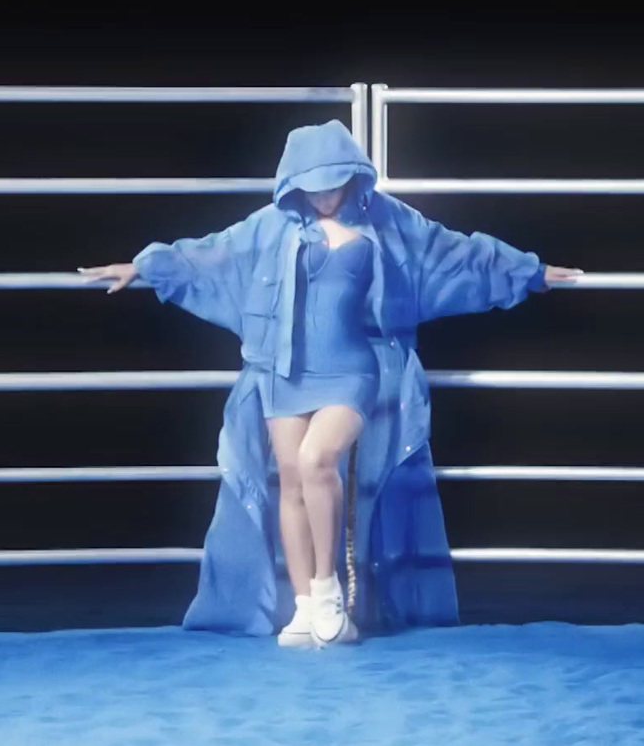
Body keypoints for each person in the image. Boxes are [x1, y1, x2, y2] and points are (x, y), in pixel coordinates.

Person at [79, 120, 581, 648]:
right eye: (312, 183)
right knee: (291, 481)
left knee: (320, 461)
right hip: (281, 371)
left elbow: (454, 254)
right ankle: (304, 607)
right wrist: (145, 266)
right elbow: (209, 255)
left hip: (352, 370)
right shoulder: (269, 226)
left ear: (353, 177)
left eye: (333, 181)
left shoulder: (389, 222)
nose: (323, 194)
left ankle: (329, 592)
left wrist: (531, 271)